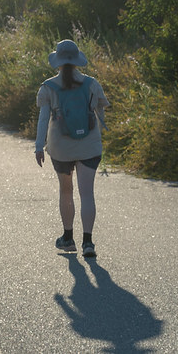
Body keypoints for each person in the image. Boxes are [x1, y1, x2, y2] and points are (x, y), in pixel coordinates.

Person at [35, 39, 110, 259]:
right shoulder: (91, 83)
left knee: (66, 191)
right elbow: (101, 110)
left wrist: (39, 146)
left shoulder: (48, 87)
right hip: (89, 145)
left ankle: (68, 238)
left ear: (57, 61)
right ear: (77, 60)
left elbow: (42, 120)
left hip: (61, 147)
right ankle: (88, 242)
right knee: (87, 193)